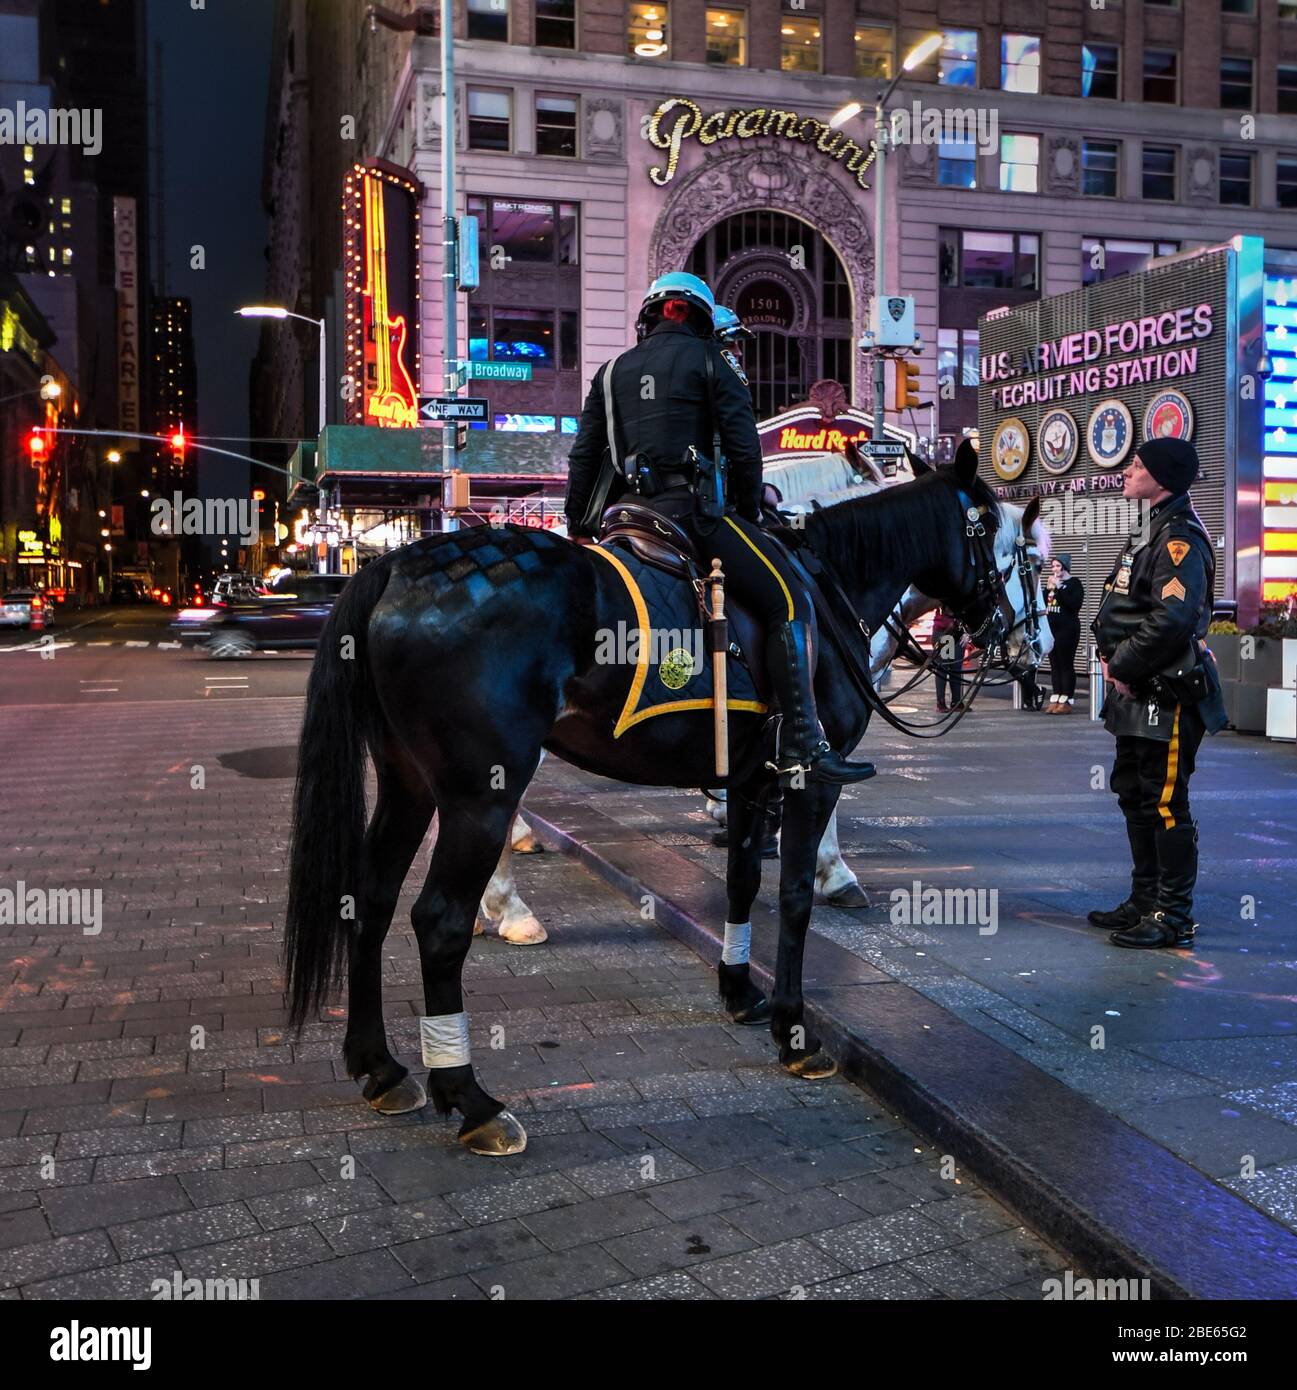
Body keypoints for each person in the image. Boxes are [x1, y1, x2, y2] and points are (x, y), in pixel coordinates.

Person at [563, 274, 875, 787]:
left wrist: (579, 526)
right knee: (789, 601)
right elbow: (744, 449)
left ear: (649, 316)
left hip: (624, 519)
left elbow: (585, 456)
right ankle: (801, 740)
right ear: (704, 319)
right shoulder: (713, 363)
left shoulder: (610, 371)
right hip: (692, 515)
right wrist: (748, 513)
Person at [1088, 437, 1227, 950]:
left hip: (1166, 694)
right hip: (1137, 690)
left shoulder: (1179, 538)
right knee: (1134, 790)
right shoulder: (1149, 528)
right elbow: (1119, 599)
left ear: (1163, 477)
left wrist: (1121, 664)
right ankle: (1145, 900)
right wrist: (1109, 656)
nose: (1128, 469)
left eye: (1138, 464)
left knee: (1166, 801)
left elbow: (1174, 617)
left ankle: (1173, 916)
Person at [1044, 554, 1084, 714]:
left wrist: (1060, 587)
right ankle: (1056, 696)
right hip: (1052, 627)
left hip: (1067, 628)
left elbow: (1074, 604)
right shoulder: (1051, 585)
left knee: (1066, 663)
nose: (1055, 570)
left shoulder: (1074, 583)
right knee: (1054, 664)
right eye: (1053, 566)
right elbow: (1043, 602)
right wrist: (1047, 589)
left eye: (1058, 566)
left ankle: (1066, 698)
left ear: (1065, 567)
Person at [931, 606, 966, 712]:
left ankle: (956, 702)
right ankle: (941, 702)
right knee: (943, 667)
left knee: (956, 668)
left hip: (957, 631)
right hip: (944, 631)